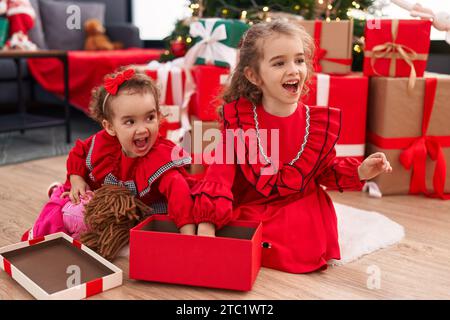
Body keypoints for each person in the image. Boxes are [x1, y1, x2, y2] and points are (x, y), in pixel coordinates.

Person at [191, 20, 393, 273]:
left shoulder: (315, 125)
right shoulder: (242, 121)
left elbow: (325, 170)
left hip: (301, 203)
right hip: (255, 203)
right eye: (279, 63)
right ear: (254, 76)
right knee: (237, 224)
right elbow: (220, 172)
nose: (293, 70)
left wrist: (361, 171)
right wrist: (208, 224)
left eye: (299, 61)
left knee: (302, 226)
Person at [23, 67, 196, 241]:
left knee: (122, 233)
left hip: (138, 212)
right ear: (110, 127)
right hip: (105, 199)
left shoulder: (160, 158)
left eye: (149, 117)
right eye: (130, 121)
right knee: (70, 199)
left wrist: (188, 235)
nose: (142, 129)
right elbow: (79, 152)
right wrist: (76, 179)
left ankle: (58, 190)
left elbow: (179, 191)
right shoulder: (104, 143)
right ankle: (58, 191)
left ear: (158, 116)